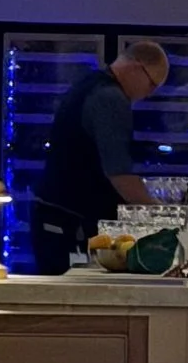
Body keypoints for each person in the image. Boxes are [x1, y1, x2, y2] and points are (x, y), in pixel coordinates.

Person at [29, 41, 169, 274]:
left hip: (51, 215)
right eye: (152, 83)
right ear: (136, 67)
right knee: (73, 301)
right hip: (69, 222)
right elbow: (119, 172)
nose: (150, 93)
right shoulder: (110, 99)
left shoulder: (91, 83)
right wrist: (159, 215)